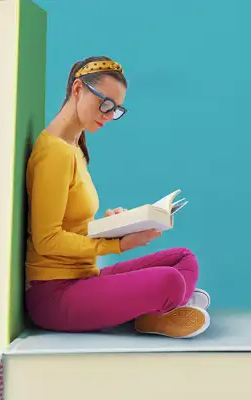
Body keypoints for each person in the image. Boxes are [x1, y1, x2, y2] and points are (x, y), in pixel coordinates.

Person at [24, 56, 211, 339]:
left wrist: (114, 225)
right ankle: (156, 311)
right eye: (105, 104)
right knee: (171, 282)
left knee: (184, 258)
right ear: (77, 90)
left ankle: (152, 313)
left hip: (84, 278)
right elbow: (46, 240)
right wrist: (117, 244)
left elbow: (70, 224)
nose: (109, 115)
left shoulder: (74, 147)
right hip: (55, 295)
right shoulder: (55, 153)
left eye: (116, 109)